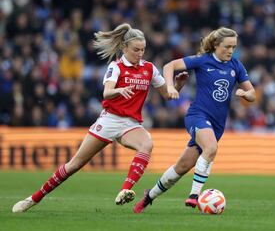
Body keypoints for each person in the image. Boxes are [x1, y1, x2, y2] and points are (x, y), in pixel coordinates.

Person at [12, 23, 187, 213]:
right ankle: (34, 198)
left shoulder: (149, 69)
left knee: (147, 144)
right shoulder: (116, 66)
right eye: (136, 49)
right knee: (74, 165)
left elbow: (168, 95)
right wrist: (120, 89)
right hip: (109, 120)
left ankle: (125, 190)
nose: (140, 53)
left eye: (143, 49)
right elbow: (107, 92)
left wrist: (177, 86)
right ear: (124, 48)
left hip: (131, 124)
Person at [133, 27, 256, 213]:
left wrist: (245, 93)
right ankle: (194, 196)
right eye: (227, 46)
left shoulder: (236, 66)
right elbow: (169, 66)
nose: (231, 50)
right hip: (197, 115)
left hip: (217, 125)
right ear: (216, 45)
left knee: (181, 167)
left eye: (234, 47)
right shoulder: (202, 60)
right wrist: (171, 87)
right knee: (211, 148)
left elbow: (253, 94)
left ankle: (148, 196)